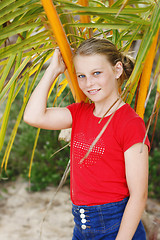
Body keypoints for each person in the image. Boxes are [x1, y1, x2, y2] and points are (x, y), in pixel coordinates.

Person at [24, 37, 150, 240]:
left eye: (96, 73)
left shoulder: (130, 123)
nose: (88, 83)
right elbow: (33, 116)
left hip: (116, 227)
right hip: (81, 228)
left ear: (117, 70)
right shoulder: (79, 113)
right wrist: (53, 71)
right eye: (81, 75)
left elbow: (139, 195)